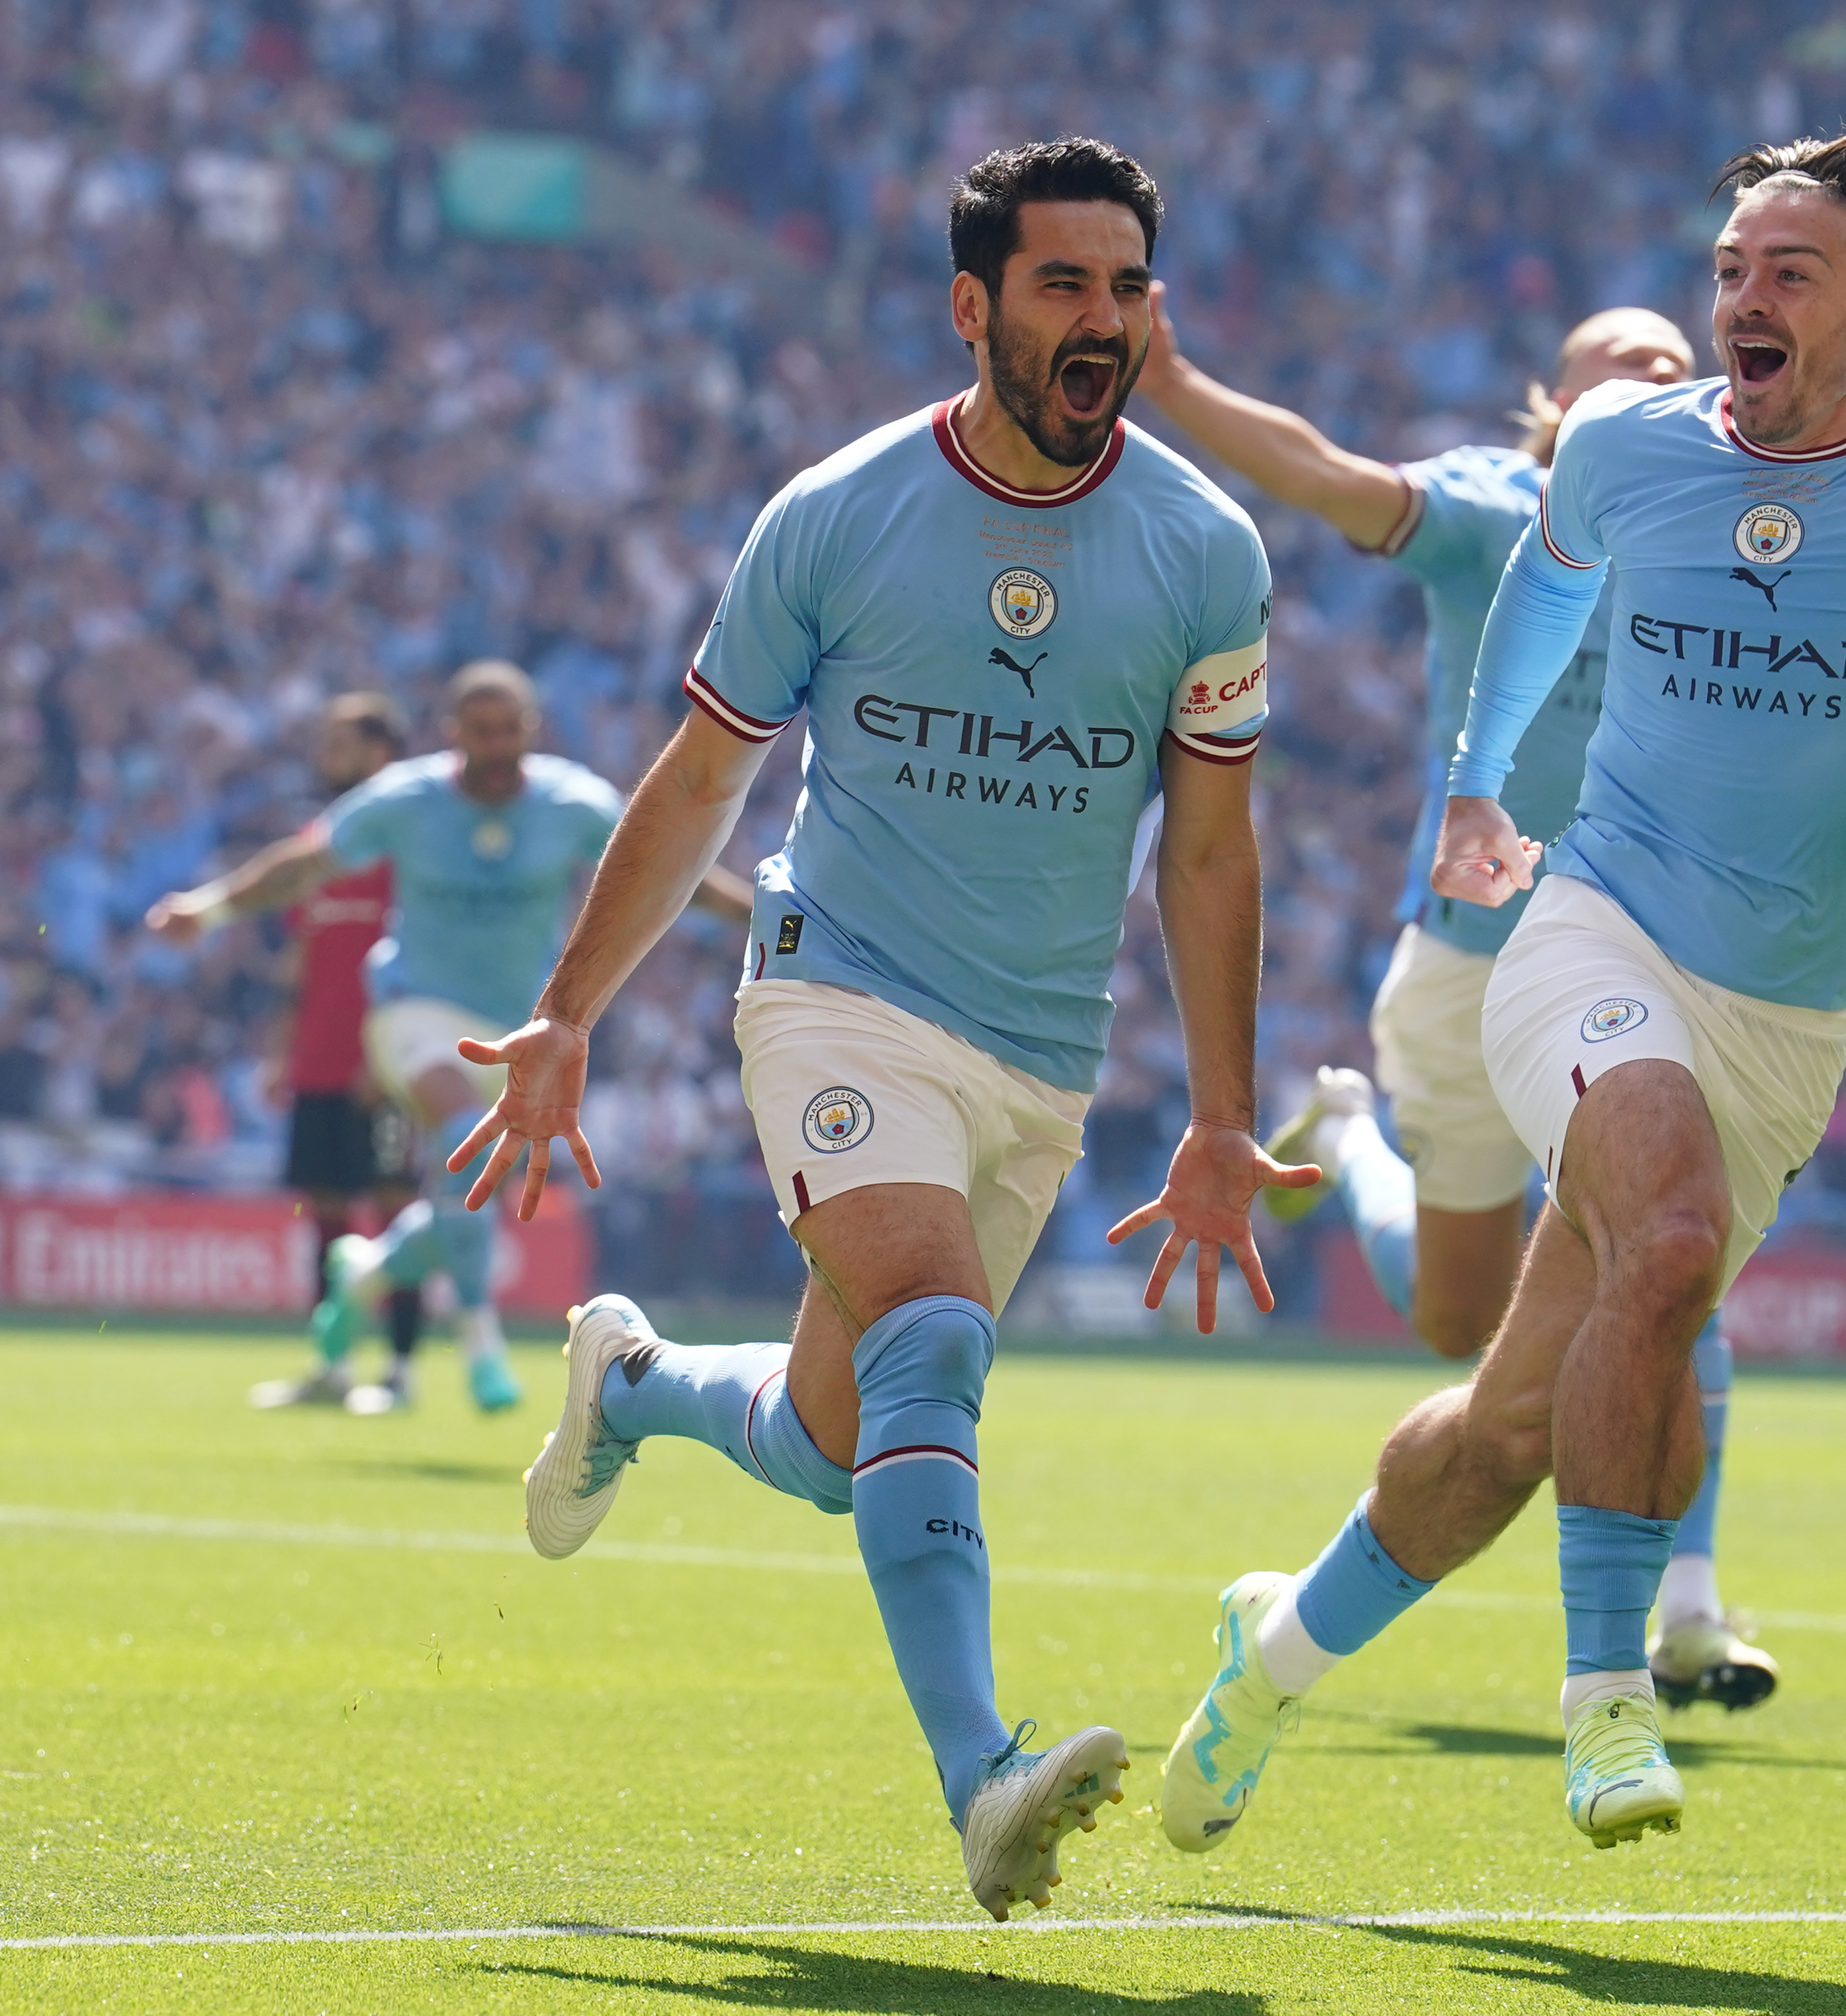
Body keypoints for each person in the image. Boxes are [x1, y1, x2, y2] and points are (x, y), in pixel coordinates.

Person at [1158, 128, 1846, 1860]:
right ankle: (1606, 1697)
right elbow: (1534, 597)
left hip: (1791, 1013)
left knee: (1506, 1420)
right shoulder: (1631, 448)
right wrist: (1479, 788)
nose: (1740, 297)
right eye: (1728, 267)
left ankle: (1266, 1655)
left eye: (1785, 272)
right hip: (1589, 929)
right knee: (1661, 1237)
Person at [441, 140, 1307, 1923]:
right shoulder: (833, 511)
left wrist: (1221, 1112)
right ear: (973, 306)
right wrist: (563, 1013)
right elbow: (700, 781)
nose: (1105, 321)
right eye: (1064, 285)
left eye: (1129, 287)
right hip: (838, 992)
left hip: (1040, 1060)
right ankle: (984, 1773)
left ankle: (641, 1387)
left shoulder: (1205, 550)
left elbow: (1209, 847)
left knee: (844, 1443)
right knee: (930, 1341)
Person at [151, 663, 752, 1412]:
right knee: (464, 1141)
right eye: (481, 732)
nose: (497, 746)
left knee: (460, 1192)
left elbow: (671, 871)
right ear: (453, 734)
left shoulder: (574, 803)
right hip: (413, 1011)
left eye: (510, 730)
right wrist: (205, 911)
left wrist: (765, 914)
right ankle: (482, 1348)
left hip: (517, 1031)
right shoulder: (407, 800)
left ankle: (368, 1272)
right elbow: (304, 864)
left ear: (531, 730)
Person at [184, 693, 424, 1410]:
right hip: (317, 1061)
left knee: (393, 1209)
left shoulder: (408, 843)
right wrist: (281, 1053)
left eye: (340, 741)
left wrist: (386, 1056)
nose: (325, 753)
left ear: (380, 751)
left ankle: (401, 1372)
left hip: (384, 1064)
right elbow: (301, 955)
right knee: (324, 1213)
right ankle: (332, 1365)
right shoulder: (317, 844)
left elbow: (417, 956)